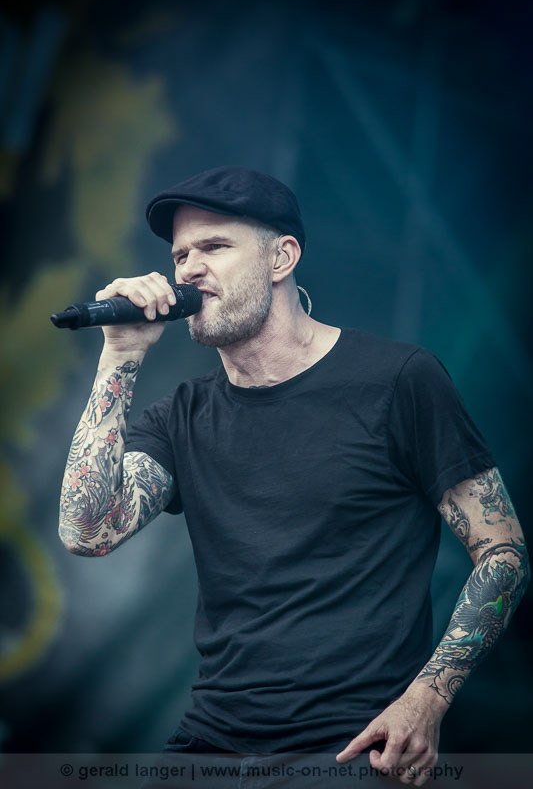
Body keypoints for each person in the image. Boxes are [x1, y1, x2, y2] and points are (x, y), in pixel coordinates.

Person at [58, 166, 530, 787]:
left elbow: (503, 553)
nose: (189, 270)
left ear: (281, 258)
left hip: (351, 745)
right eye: (180, 255)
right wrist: (120, 353)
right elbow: (87, 531)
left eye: (214, 247)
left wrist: (426, 700)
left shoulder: (398, 381)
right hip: (212, 739)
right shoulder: (183, 416)